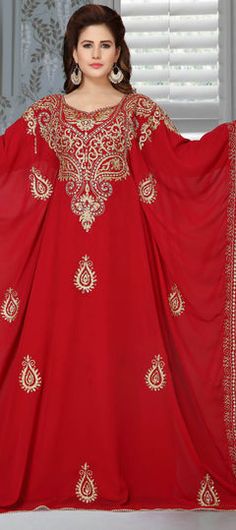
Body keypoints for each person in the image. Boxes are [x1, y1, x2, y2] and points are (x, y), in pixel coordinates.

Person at [0, 3, 236, 514]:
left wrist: (227, 144)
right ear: (73, 50)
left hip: (123, 250)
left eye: (105, 44)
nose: (96, 54)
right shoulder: (46, 114)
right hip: (61, 256)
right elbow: (8, 163)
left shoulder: (139, 112)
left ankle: (133, 463)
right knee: (59, 351)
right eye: (87, 45)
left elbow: (181, 163)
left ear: (119, 50)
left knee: (126, 351)